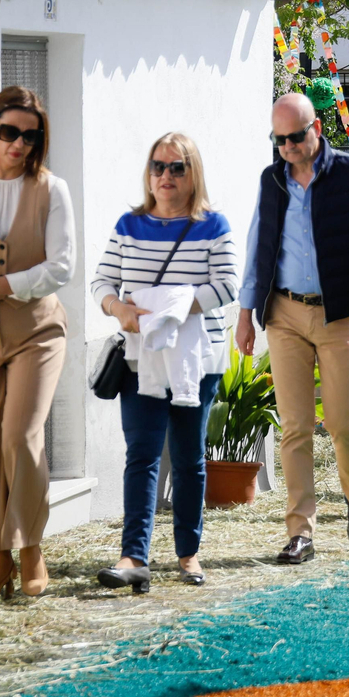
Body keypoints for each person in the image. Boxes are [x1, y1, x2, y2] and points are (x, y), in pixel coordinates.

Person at [237, 94, 349, 566]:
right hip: (283, 313)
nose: (288, 148)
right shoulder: (271, 179)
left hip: (340, 315)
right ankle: (300, 531)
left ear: (316, 128)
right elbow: (257, 243)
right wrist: (245, 312)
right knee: (295, 427)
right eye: (279, 140)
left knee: (342, 422)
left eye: (295, 138)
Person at [91, 133, 238, 592]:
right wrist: (121, 310)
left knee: (190, 457)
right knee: (142, 455)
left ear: (193, 172)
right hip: (140, 359)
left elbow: (229, 284)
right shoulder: (128, 224)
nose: (166, 176)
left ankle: (188, 554)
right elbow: (101, 282)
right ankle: (134, 556)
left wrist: (173, 309)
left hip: (197, 360)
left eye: (177, 167)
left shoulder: (213, 225)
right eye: (158, 166)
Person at [0, 87, 76, 603]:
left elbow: (61, 267)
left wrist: (2, 285)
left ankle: (30, 550)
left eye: (31, 135)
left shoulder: (52, 189)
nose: (19, 144)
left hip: (36, 333)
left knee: (20, 436)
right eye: (10, 132)